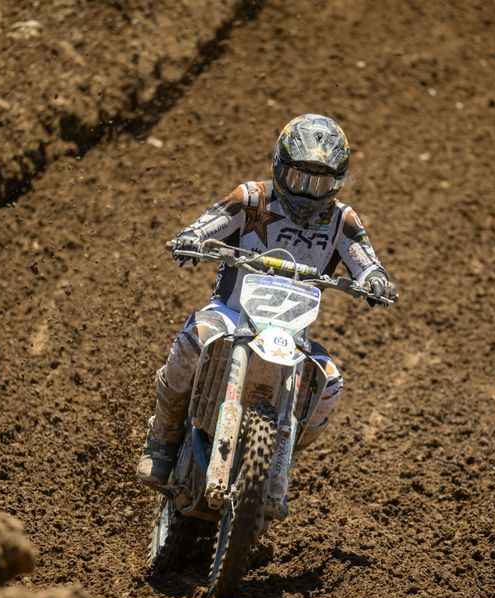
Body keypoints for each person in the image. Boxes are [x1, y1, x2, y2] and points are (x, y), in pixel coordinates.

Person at [136, 114, 397, 488]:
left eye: (320, 183)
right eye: (298, 179)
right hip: (231, 312)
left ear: (337, 182)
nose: (307, 192)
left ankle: (278, 458)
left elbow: (366, 261)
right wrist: (191, 240)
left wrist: (375, 281)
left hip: (293, 330)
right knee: (195, 338)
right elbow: (207, 224)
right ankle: (161, 438)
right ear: (279, 166)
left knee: (330, 382)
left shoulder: (342, 220)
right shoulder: (252, 199)